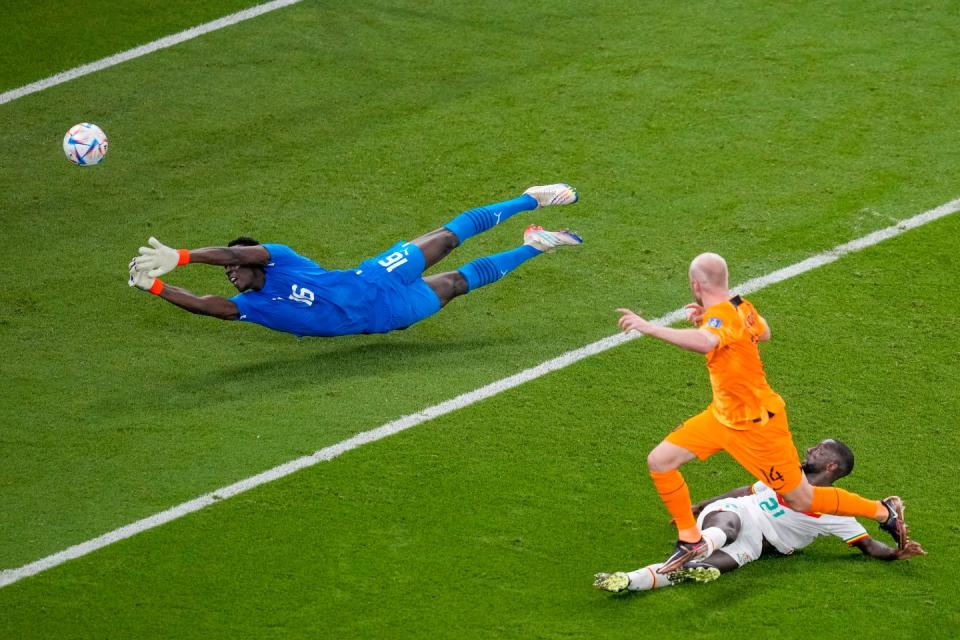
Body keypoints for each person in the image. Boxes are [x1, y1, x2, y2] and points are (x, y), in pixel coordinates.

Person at [615, 252, 909, 573]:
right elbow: (762, 333)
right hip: (723, 416)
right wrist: (709, 320)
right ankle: (690, 539)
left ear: (695, 284)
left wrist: (650, 327)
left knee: (800, 498)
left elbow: (704, 343)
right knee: (660, 462)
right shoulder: (741, 306)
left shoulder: (725, 314)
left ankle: (883, 511)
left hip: (757, 426)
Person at [127, 184, 580, 337]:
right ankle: (535, 246)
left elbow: (232, 251)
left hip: (375, 276)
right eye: (228, 273)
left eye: (234, 269)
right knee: (458, 283)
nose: (229, 273)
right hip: (386, 316)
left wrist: (182, 256)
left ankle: (529, 200)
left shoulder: (280, 259)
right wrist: (155, 287)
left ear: (254, 261)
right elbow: (207, 305)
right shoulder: (252, 308)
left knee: (445, 237)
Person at [594, 439, 927, 593]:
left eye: (820, 450)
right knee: (724, 529)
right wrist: (700, 505)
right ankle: (697, 544)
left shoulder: (839, 512)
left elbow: (870, 547)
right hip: (736, 515)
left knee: (706, 569)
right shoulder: (784, 474)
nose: (810, 448)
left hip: (756, 545)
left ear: (832, 467)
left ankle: (631, 580)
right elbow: (744, 493)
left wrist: (897, 553)